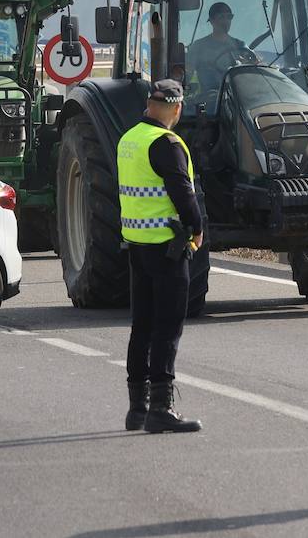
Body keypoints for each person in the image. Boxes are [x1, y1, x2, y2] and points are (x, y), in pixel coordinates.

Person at [118, 79, 204, 434]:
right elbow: (183, 192)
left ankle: (137, 408)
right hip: (166, 246)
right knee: (167, 328)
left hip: (136, 243)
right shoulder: (167, 143)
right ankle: (161, 408)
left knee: (142, 325)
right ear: (177, 108)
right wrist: (197, 227)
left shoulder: (129, 139)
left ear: (149, 105)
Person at [186, 2, 245, 97]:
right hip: (209, 102)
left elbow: (254, 67)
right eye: (221, 17)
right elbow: (187, 73)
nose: (226, 21)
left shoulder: (240, 46)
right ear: (212, 21)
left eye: (229, 17)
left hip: (237, 100)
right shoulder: (199, 46)